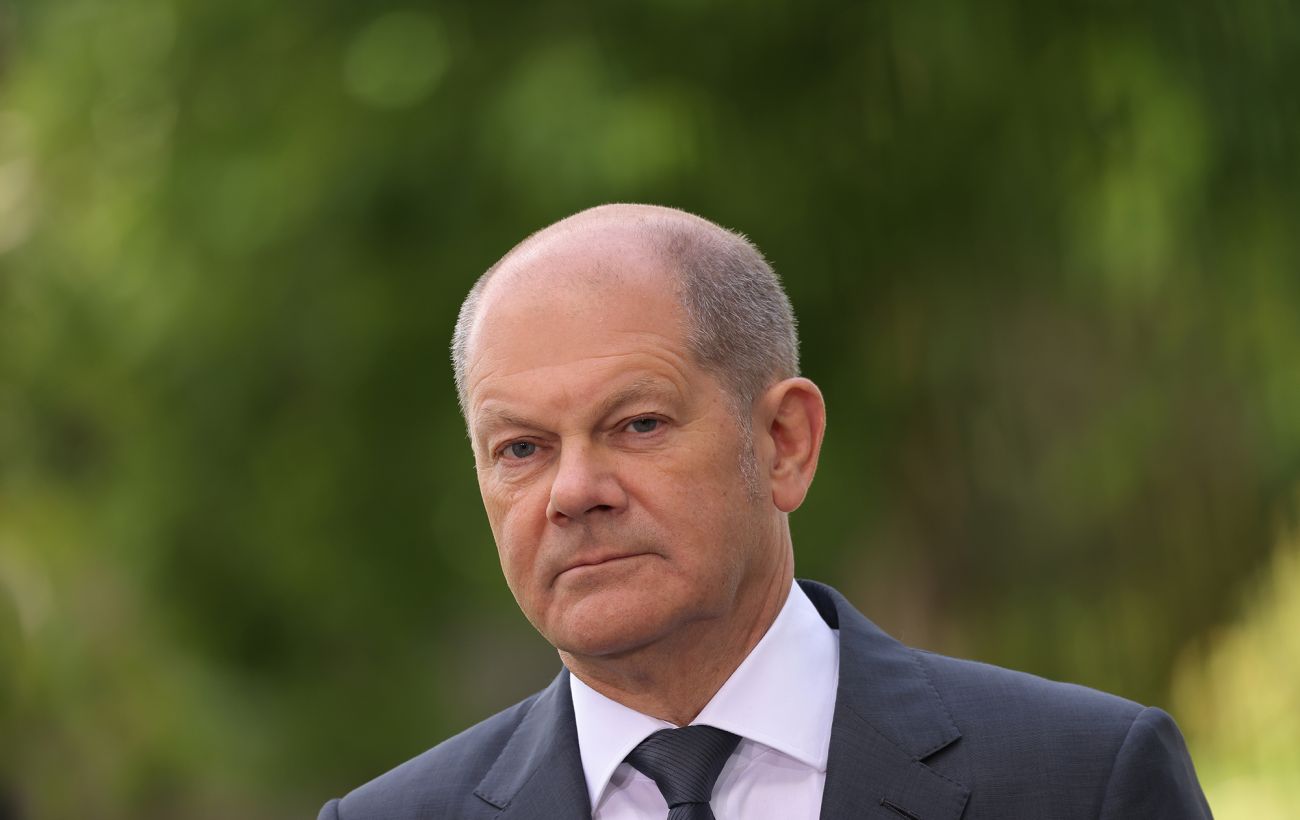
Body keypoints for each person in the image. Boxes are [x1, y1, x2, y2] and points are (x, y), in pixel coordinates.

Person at [318, 204, 1212, 819]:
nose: (574, 490)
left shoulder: (1082, 781)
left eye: (637, 424)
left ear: (784, 441)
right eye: (521, 448)